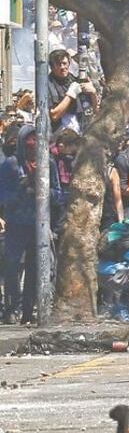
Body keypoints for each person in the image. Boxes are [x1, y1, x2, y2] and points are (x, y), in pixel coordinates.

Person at [0, 125, 62, 324]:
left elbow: (58, 195)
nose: (32, 145)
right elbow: (3, 195)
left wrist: (40, 188)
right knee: (12, 266)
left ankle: (29, 310)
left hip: (39, 225)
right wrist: (23, 186)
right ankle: (12, 308)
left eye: (36, 140)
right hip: (16, 224)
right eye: (28, 141)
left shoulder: (49, 164)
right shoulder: (11, 164)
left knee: (36, 267)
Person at [46, 49, 97, 133]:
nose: (62, 67)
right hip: (59, 134)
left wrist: (93, 93)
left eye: (64, 63)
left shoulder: (74, 80)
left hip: (80, 130)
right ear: (52, 67)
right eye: (58, 64)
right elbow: (54, 115)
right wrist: (70, 94)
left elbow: (95, 110)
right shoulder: (48, 84)